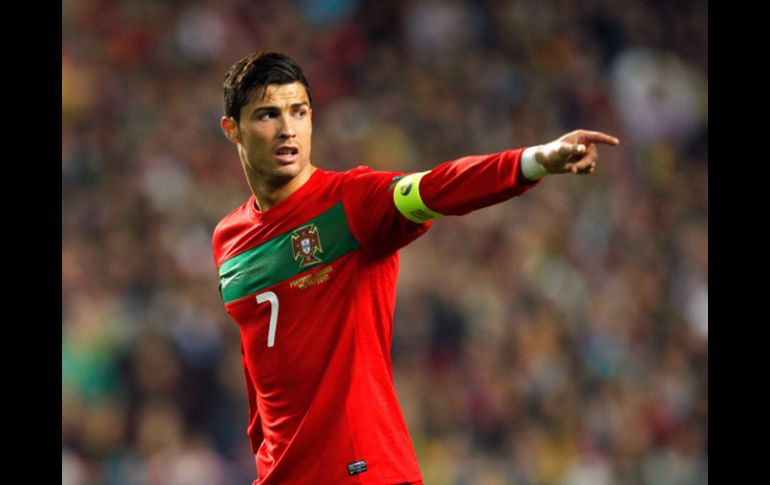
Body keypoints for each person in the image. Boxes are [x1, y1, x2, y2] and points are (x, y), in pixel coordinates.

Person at [212, 51, 619, 485]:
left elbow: (439, 186)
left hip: (364, 472)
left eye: (299, 112)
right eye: (268, 115)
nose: (288, 129)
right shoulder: (229, 238)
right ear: (232, 130)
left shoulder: (352, 203)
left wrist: (534, 160)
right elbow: (260, 359)